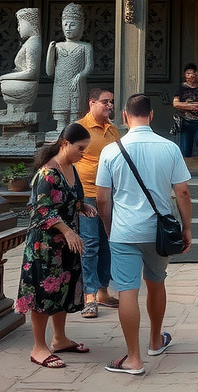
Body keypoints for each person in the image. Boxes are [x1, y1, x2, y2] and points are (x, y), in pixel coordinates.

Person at [97, 93, 192, 376]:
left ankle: (134, 358)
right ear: (151, 116)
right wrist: (187, 227)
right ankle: (155, 339)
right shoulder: (169, 148)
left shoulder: (111, 150)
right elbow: (183, 192)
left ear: (125, 116)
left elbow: (103, 199)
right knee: (156, 282)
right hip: (159, 232)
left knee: (127, 289)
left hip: (124, 231)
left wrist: (108, 226)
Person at [14, 121, 94, 369]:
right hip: (46, 246)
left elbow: (69, 198)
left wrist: (82, 206)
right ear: (65, 143)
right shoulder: (47, 173)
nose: (84, 153)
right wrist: (68, 231)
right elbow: (42, 210)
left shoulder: (70, 167)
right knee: (43, 293)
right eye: (80, 148)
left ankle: (59, 339)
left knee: (64, 289)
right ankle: (39, 347)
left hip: (67, 243)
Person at [76, 87, 120, 316]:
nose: (109, 105)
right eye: (105, 102)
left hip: (110, 194)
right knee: (90, 244)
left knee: (107, 243)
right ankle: (89, 295)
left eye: (111, 102)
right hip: (86, 194)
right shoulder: (78, 129)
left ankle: (103, 290)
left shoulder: (113, 131)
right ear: (91, 103)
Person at [46, 3, 93, 130]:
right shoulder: (58, 46)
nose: (68, 28)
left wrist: (80, 75)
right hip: (60, 84)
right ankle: (60, 130)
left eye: (73, 24)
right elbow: (49, 72)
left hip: (76, 84)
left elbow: (89, 67)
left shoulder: (85, 46)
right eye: (65, 24)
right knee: (61, 115)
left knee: (75, 115)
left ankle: (74, 130)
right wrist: (50, 52)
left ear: (81, 25)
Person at [172, 63, 198, 179]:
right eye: (188, 73)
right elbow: (175, 103)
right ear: (185, 75)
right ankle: (185, 171)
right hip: (185, 121)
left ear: (196, 75)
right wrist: (190, 106)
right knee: (185, 148)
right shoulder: (181, 88)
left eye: (193, 73)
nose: (191, 75)